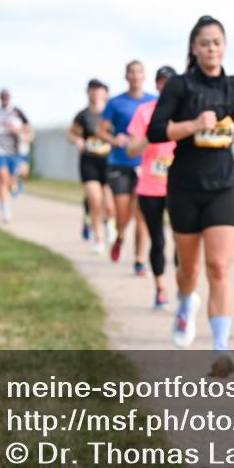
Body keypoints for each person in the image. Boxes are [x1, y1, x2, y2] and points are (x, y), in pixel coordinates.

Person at [147, 16, 234, 377]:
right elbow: (155, 131)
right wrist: (194, 125)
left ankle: (221, 348)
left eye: (217, 42)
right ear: (194, 48)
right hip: (184, 186)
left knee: (219, 267)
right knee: (190, 269)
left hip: (223, 185)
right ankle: (184, 303)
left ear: (224, 46)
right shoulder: (180, 86)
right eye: (205, 43)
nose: (212, 48)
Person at [127, 66, 179, 308]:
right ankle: (160, 288)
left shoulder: (184, 111)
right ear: (157, 85)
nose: (166, 86)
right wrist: (152, 135)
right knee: (157, 239)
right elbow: (131, 149)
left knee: (182, 240)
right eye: (162, 82)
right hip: (150, 186)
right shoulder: (145, 111)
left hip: (179, 184)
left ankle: (183, 288)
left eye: (171, 81)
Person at [98, 61, 154, 275]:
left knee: (141, 214)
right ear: (126, 76)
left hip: (145, 165)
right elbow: (101, 131)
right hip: (120, 163)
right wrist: (115, 140)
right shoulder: (115, 102)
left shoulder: (153, 101)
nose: (135, 76)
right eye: (132, 72)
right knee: (123, 215)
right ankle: (120, 236)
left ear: (144, 76)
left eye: (139, 72)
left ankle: (139, 260)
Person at [69, 79, 117, 255]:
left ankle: (110, 224)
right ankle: (98, 238)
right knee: (95, 200)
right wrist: (77, 140)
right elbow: (71, 134)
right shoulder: (82, 115)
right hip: (89, 161)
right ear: (88, 93)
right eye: (92, 90)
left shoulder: (112, 114)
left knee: (110, 204)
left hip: (109, 162)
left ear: (106, 93)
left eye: (99, 90)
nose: (95, 93)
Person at [0, 89, 30, 223]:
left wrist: (19, 130)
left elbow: (27, 128)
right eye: (2, 97)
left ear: (9, 98)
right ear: (0, 98)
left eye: (7, 97)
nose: (5, 99)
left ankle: (15, 186)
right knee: (3, 180)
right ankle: (5, 211)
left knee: (13, 180)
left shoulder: (18, 112)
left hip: (14, 151)